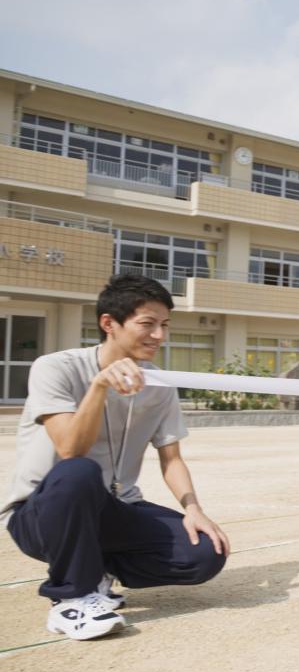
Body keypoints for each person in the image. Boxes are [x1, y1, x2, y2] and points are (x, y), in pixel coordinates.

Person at [3, 274, 229, 640]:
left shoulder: (157, 384)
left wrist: (194, 508)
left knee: (205, 553)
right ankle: (71, 599)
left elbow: (171, 459)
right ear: (109, 323)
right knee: (78, 471)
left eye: (164, 325)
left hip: (114, 507)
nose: (159, 336)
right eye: (147, 324)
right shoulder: (56, 367)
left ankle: (95, 569)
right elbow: (70, 449)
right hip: (41, 514)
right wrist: (99, 385)